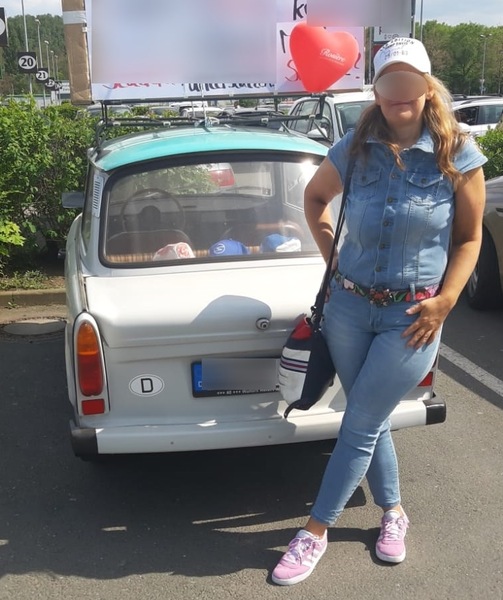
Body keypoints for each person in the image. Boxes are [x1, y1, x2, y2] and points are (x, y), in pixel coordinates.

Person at [271, 37, 487, 586]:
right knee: (369, 418)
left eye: (409, 81)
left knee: (360, 420)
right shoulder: (355, 146)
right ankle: (393, 512)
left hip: (412, 319)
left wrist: (446, 301)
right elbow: (315, 199)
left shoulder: (457, 153)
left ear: (426, 88)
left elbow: (469, 238)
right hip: (347, 308)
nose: (399, 93)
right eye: (388, 81)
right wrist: (332, 254)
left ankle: (314, 531)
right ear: (377, 90)